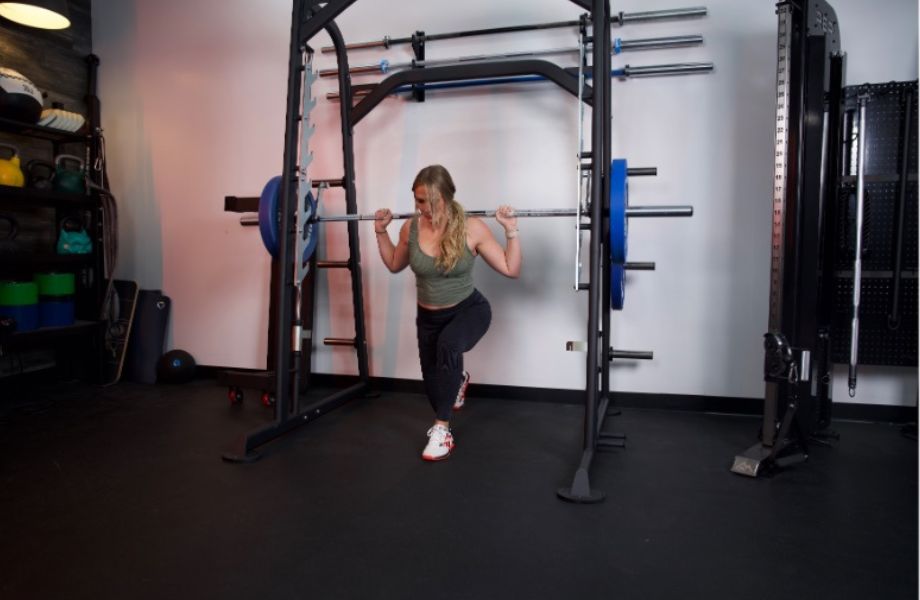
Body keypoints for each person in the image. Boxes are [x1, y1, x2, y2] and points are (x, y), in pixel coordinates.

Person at [374, 164, 521, 461]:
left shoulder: (472, 228)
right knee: (433, 384)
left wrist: (511, 230)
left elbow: (510, 268)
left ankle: (442, 431)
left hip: (470, 311)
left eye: (431, 201)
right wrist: (380, 231)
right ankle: (457, 380)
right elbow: (393, 263)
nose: (424, 208)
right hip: (427, 319)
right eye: (418, 200)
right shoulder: (410, 229)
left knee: (449, 345)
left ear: (447, 197)